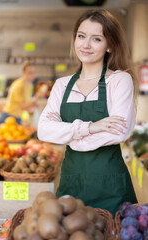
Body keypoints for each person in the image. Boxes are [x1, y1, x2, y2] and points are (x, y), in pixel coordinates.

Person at [37, 9, 138, 216]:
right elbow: (44, 130)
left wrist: (69, 135)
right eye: (81, 36)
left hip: (110, 185)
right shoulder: (61, 85)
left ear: (109, 45)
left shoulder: (119, 81)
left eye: (96, 39)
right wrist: (90, 127)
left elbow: (119, 132)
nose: (85, 44)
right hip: (71, 182)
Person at [0, 61, 38, 127]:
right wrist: (36, 98)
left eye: (34, 72)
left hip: (18, 117)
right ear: (23, 73)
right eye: (30, 72)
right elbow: (23, 106)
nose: (33, 75)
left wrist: (33, 105)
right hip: (8, 116)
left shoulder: (30, 85)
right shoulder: (18, 86)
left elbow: (26, 103)